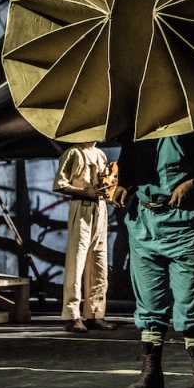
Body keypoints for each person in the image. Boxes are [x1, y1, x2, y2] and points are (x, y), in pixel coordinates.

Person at [112, 129, 194, 388]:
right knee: (149, 303)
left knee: (189, 301)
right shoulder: (135, 132)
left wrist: (191, 182)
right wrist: (123, 185)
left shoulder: (190, 130)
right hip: (144, 225)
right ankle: (151, 372)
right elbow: (128, 168)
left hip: (183, 226)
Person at [53, 142, 116, 333]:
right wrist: (84, 191)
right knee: (76, 262)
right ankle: (72, 316)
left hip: (100, 208)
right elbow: (60, 184)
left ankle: (95, 314)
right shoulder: (73, 153)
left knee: (99, 263)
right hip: (82, 207)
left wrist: (110, 184)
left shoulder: (101, 154)